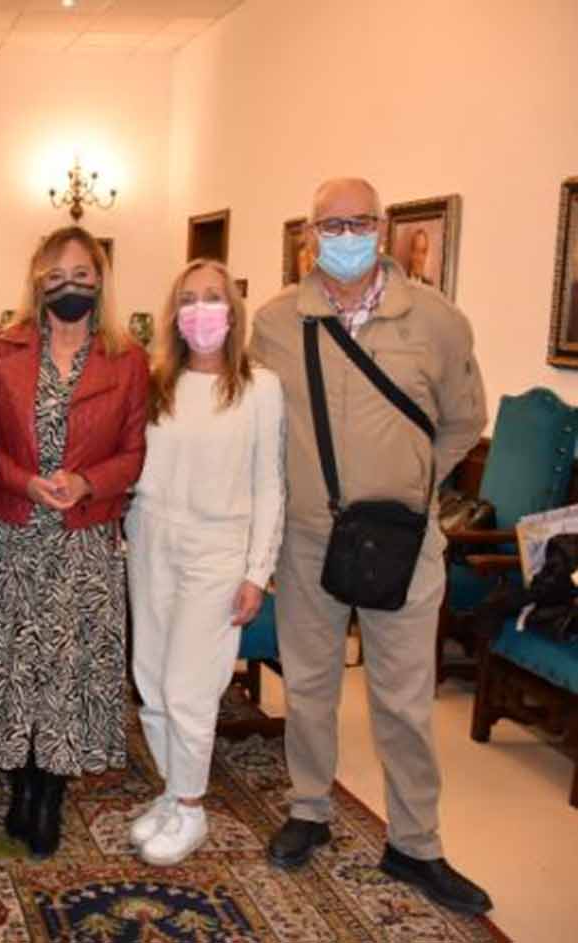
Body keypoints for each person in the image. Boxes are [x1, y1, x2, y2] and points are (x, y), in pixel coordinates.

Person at [250, 177, 491, 914]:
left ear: (382, 229)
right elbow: (259, 420)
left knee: (404, 701)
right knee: (311, 684)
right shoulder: (275, 322)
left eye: (357, 221)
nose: (344, 233)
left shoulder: (436, 320)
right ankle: (309, 807)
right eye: (330, 223)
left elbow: (461, 421)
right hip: (307, 536)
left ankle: (416, 843)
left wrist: (407, 488)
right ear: (308, 237)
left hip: (401, 538)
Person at [0, 225, 148, 859]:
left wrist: (86, 481)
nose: (69, 287)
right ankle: (20, 782)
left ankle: (52, 792)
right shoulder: (4, 350)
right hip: (16, 530)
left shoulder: (128, 358)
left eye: (83, 276)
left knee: (68, 669)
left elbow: (134, 453)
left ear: (101, 281)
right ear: (38, 281)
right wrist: (27, 481)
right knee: (16, 664)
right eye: (56, 276)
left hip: (85, 542)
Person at [125, 259, 285, 866]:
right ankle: (171, 794)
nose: (200, 309)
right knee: (151, 680)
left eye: (213, 298)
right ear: (174, 314)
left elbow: (271, 486)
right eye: (188, 298)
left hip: (219, 549)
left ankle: (191, 809)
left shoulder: (259, 388)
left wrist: (256, 572)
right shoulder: (156, 382)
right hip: (151, 540)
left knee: (191, 687)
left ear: (234, 311)